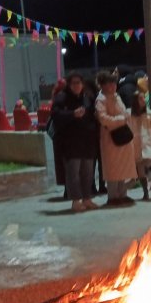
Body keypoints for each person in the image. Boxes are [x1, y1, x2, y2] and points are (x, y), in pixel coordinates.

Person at [52, 71, 99, 212]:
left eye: (79, 83)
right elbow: (56, 116)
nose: (77, 86)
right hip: (70, 143)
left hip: (86, 142)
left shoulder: (87, 98)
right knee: (73, 173)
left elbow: (92, 115)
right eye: (74, 83)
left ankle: (87, 198)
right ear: (69, 84)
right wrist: (72, 115)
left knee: (87, 172)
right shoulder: (62, 98)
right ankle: (75, 201)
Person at [94, 70, 136, 206]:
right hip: (111, 138)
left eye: (114, 83)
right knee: (112, 169)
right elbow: (103, 119)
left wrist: (126, 116)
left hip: (123, 136)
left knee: (123, 167)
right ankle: (113, 196)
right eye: (109, 84)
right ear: (102, 85)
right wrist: (121, 119)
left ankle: (122, 194)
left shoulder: (116, 96)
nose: (113, 86)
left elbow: (124, 112)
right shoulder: (101, 100)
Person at [130, 84, 151, 201]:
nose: (143, 100)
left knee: (149, 160)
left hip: (146, 142)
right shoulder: (129, 114)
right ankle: (145, 191)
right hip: (135, 143)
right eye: (140, 98)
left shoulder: (149, 113)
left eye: (143, 98)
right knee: (140, 167)